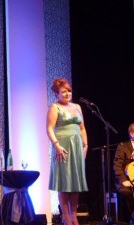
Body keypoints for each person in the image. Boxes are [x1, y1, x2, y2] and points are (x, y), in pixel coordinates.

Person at [46, 78, 88, 225]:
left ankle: (73, 215)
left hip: (77, 147)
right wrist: (57, 145)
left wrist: (85, 145)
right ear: (57, 93)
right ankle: (66, 216)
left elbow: (82, 128)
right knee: (64, 181)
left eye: (69, 91)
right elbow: (49, 129)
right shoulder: (54, 107)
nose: (67, 93)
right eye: (63, 91)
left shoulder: (77, 106)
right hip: (62, 146)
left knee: (75, 182)